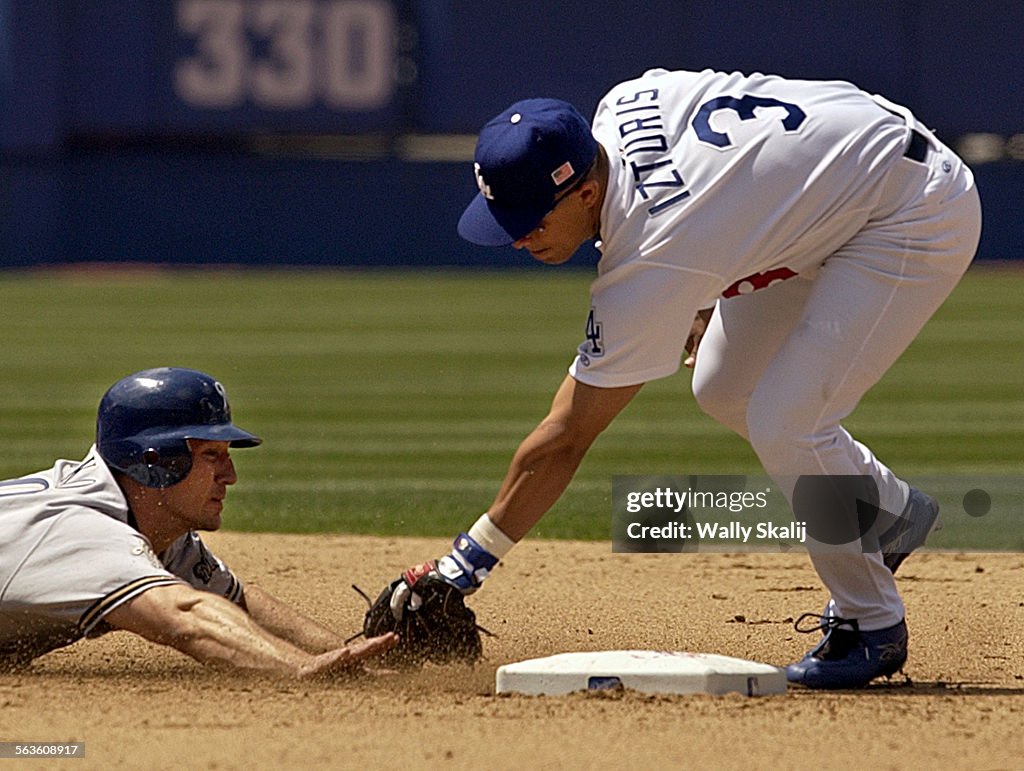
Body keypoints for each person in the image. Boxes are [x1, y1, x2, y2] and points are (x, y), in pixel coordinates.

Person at [390, 68, 981, 689]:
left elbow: (566, 437)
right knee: (723, 385)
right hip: (843, 180)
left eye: (530, 221)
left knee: (789, 423)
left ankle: (871, 624)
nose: (516, 240)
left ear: (587, 194)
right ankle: (886, 513)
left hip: (910, 211)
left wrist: (464, 565)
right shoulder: (621, 101)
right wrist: (697, 288)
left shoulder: (653, 256)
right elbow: (723, 182)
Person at [0, 367, 396, 676]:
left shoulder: (151, 525)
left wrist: (347, 659)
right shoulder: (84, 531)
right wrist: (294, 667)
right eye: (211, 456)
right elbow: (185, 616)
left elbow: (237, 602)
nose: (230, 476)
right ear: (154, 462)